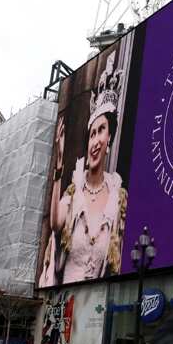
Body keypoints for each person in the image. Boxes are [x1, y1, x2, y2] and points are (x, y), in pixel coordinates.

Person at [47, 50, 128, 285]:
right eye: (92, 134)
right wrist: (58, 169)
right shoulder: (74, 193)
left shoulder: (118, 199)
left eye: (101, 131)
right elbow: (55, 223)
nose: (94, 141)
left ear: (109, 139)